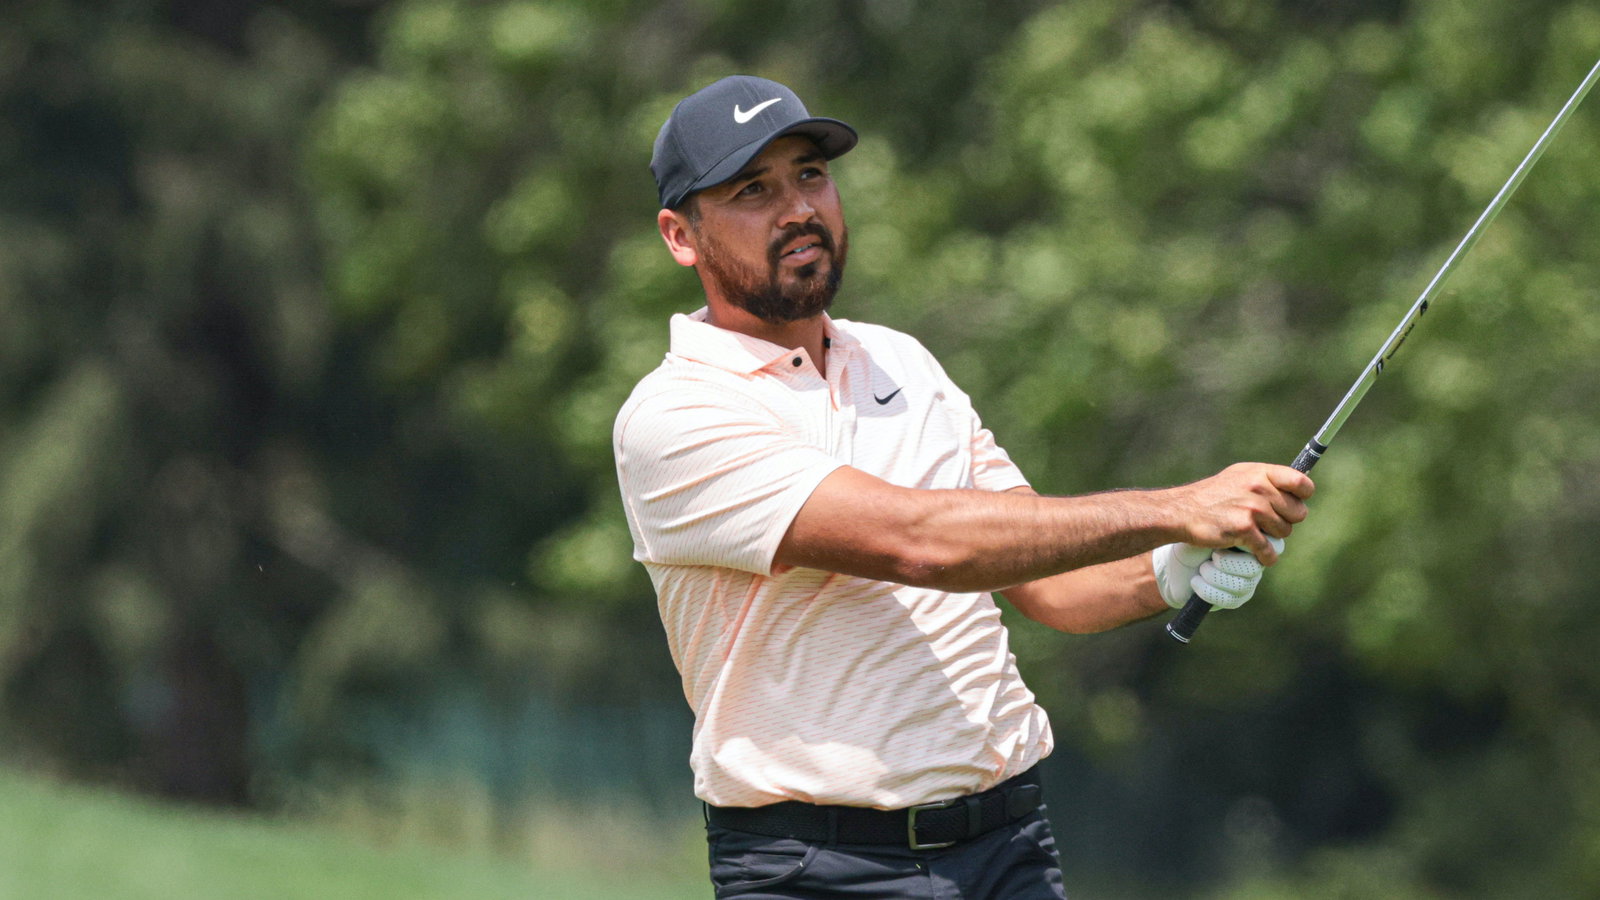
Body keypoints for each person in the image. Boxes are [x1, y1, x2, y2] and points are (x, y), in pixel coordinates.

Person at [613, 75, 1313, 899]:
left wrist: (1170, 566)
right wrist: (1177, 509)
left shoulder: (900, 361)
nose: (798, 208)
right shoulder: (675, 416)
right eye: (752, 190)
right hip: (821, 870)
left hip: (1008, 847)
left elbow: (1046, 579)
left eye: (810, 174)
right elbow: (923, 545)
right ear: (681, 236)